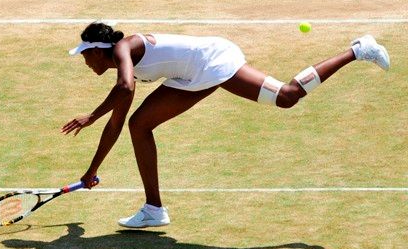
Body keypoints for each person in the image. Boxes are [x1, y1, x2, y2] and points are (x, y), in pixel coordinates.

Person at [61, 22, 390, 228]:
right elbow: (117, 122)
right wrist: (90, 171)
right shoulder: (122, 63)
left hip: (212, 61)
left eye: (85, 55)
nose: (85, 62)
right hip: (190, 74)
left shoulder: (121, 50)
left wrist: (91, 116)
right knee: (138, 125)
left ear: (98, 50)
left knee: (287, 96)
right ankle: (153, 209)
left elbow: (125, 90)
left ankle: (359, 50)